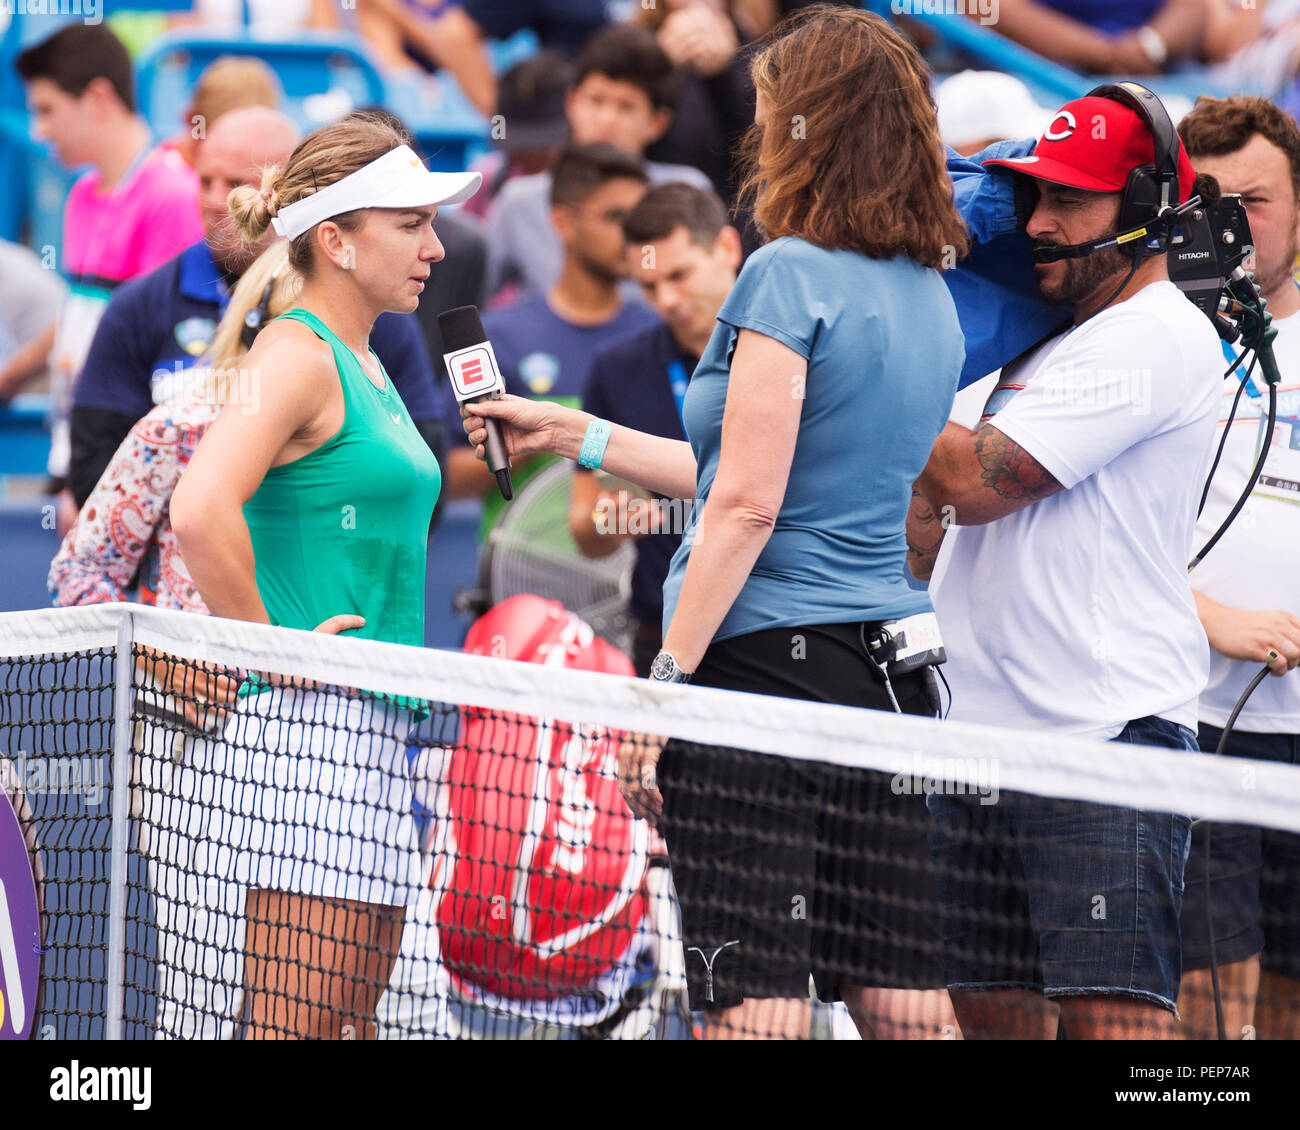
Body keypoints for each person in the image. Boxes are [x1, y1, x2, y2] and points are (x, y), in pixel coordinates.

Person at [461, 6, 968, 1040]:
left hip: (755, 680)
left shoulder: (784, 272)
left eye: (773, 109)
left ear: (808, 128)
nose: (756, 127)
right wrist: (568, 430)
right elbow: (747, 467)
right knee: (902, 999)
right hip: (880, 681)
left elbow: (744, 500)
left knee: (754, 1004)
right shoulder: (930, 292)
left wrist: (667, 686)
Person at [910, 86, 1223, 1040]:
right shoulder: (1046, 333)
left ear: (1143, 215)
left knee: (1116, 1039)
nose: (1039, 226)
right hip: (979, 737)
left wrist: (875, 344)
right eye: (1033, 200)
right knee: (992, 1026)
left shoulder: (1159, 331)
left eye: (1068, 205)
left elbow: (968, 483)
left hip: (1103, 737)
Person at [170, 112, 481, 1039]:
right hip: (312, 738)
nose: (434, 246)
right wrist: (269, 652)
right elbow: (198, 508)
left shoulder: (368, 360)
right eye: (409, 224)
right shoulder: (296, 355)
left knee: (347, 1029)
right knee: (295, 1030)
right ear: (336, 241)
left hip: (377, 727)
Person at [51, 244, 299, 1038]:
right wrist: (161, 656)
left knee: (336, 994)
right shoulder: (181, 424)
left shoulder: (368, 436)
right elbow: (80, 574)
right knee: (206, 991)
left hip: (321, 736)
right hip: (187, 734)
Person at [67, 107, 447, 518]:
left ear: (286, 190)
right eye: (204, 180)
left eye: (234, 182)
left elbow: (426, 481)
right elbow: (97, 474)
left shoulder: (374, 313)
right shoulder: (139, 305)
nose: (215, 199)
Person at [1174, 94, 1300, 1042]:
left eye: (1253, 201)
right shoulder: (1147, 345)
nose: (1230, 224)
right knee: (1207, 1006)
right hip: (1194, 718)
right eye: (1205, 198)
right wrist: (1201, 611)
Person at [9, 24, 202, 531]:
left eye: (46, 110)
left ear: (97, 96)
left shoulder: (170, 196)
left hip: (128, 471)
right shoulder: (81, 194)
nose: (38, 131)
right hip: (79, 453)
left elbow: (168, 352)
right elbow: (82, 319)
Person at [569, 182, 742, 676]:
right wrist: (612, 523)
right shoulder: (615, 369)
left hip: (767, 629)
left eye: (679, 275)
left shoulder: (786, 353)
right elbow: (586, 527)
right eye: (647, 286)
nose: (666, 299)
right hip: (658, 635)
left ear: (727, 249)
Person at [443, 144, 659, 531]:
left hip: (639, 582)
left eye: (641, 219)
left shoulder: (659, 335)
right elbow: (445, 478)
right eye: (615, 216)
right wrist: (533, 441)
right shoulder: (497, 336)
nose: (633, 235)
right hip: (516, 581)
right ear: (563, 222)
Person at [486, 21, 712, 304]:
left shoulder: (687, 192)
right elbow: (475, 301)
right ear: (571, 103)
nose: (607, 120)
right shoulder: (518, 202)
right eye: (595, 100)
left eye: (626, 106)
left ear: (657, 122)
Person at [974, 0, 1210, 74]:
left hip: (1159, 66)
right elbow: (982, 6)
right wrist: (1100, 53)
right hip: (1032, 71)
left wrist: (1149, 45)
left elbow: (1194, 7)